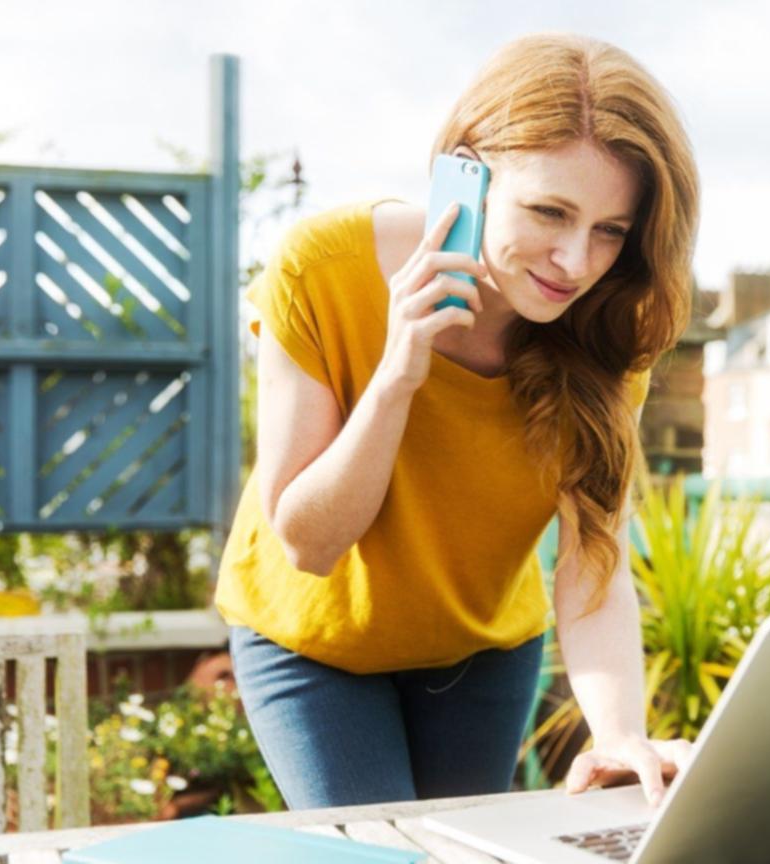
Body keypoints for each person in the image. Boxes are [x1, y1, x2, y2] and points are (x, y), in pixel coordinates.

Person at [214, 32, 701, 811]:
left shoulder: (610, 327)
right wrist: (400, 373)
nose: (575, 261)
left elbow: (591, 558)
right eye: (549, 210)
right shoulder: (323, 269)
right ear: (464, 176)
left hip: (483, 651)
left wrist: (616, 732)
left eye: (611, 230)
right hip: (313, 644)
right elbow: (309, 542)